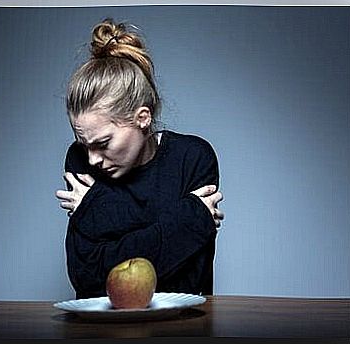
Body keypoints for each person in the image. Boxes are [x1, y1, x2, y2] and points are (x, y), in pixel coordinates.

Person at [55, 18, 224, 299]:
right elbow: (87, 277)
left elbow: (186, 279)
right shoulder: (80, 160)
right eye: (84, 144)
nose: (93, 159)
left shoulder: (193, 158)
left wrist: (98, 208)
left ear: (142, 118)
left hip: (185, 328)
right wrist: (189, 219)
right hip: (101, 331)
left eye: (103, 143)